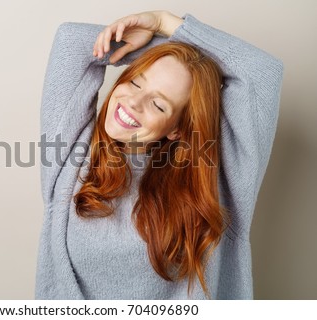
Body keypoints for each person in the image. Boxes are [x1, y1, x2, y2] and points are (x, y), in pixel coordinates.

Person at [36, 10, 283, 299]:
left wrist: (164, 22)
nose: (133, 102)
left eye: (159, 104)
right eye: (136, 81)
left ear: (177, 128)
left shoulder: (216, 178)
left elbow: (262, 72)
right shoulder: (71, 158)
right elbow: (73, 42)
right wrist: (160, 48)